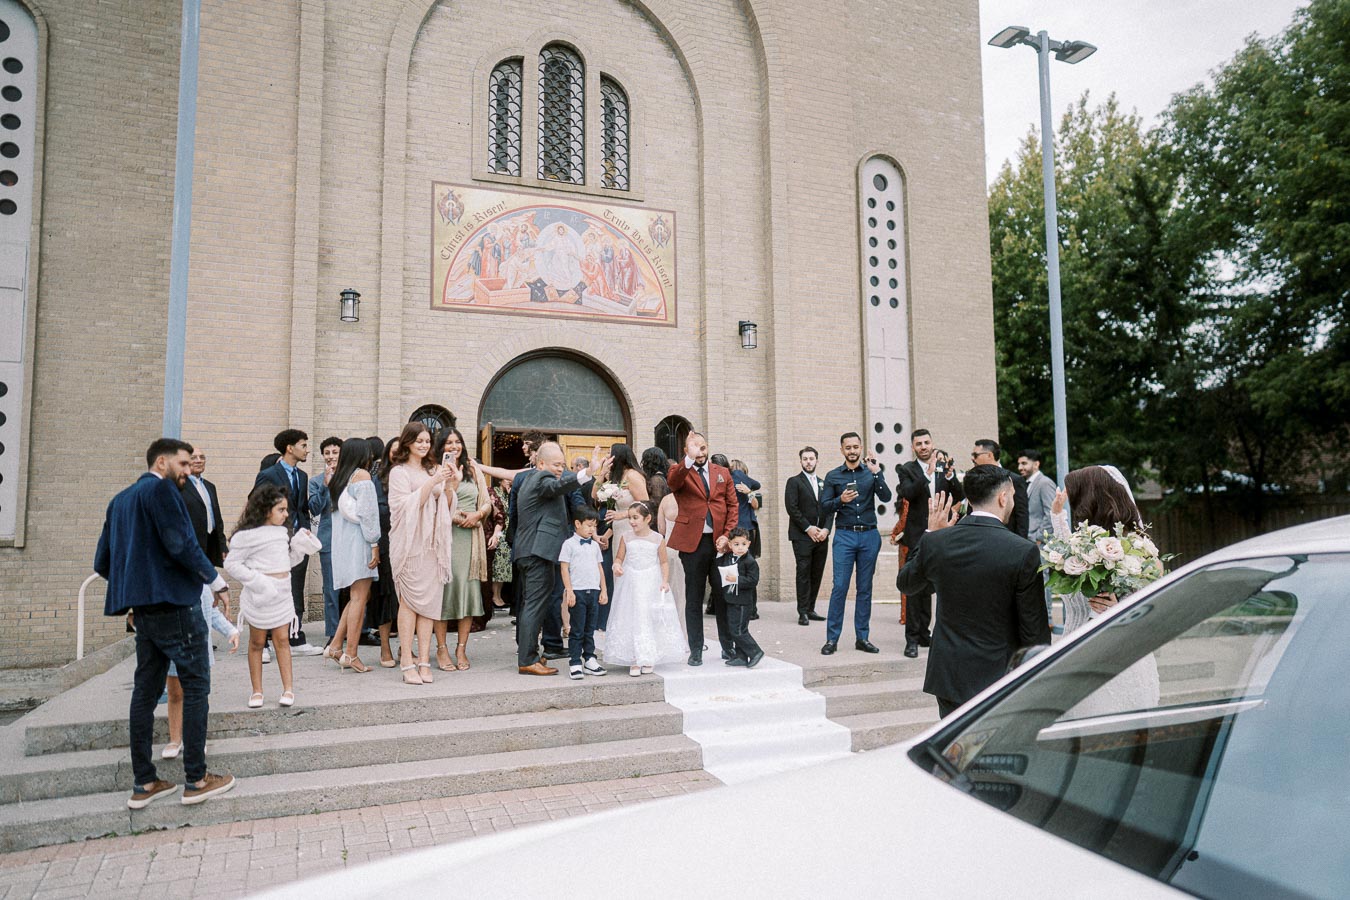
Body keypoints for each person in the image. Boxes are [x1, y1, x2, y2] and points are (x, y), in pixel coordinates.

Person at [95, 438, 237, 809]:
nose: (189, 471)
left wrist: (137, 591)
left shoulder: (120, 501)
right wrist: (216, 582)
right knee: (196, 686)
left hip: (144, 613)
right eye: (184, 463)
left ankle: (144, 783)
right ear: (162, 462)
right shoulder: (162, 491)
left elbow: (103, 562)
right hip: (176, 606)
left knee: (145, 692)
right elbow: (182, 544)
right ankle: (197, 779)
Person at [896, 466, 1050, 717]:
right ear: (1003, 498)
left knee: (952, 741)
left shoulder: (937, 542)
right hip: (999, 676)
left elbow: (906, 584)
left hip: (949, 675)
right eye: (1012, 496)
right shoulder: (1022, 551)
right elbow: (1033, 628)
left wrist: (929, 534)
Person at [1049, 464, 1160, 716]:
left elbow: (1154, 608)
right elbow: (1063, 549)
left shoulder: (1137, 548)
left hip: (1123, 656)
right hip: (1079, 654)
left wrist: (1120, 608)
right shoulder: (1077, 549)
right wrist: (1056, 516)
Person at [163, 445, 234, 760]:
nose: (199, 461)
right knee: (175, 688)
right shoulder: (177, 489)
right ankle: (175, 738)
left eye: (203, 456)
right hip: (174, 617)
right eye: (194, 457)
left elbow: (214, 520)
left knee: (196, 689)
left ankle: (193, 739)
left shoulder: (210, 487)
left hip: (202, 560)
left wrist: (220, 550)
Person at [225, 484, 323, 708]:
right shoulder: (246, 537)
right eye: (281, 509)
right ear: (266, 509)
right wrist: (258, 582)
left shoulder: (281, 533)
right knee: (257, 642)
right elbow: (232, 564)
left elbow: (286, 562)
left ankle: (288, 689)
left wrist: (299, 547)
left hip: (281, 595)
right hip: (259, 596)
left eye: (286, 509)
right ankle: (257, 691)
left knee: (282, 640)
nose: (286, 514)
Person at [508, 442, 597, 675]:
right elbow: (557, 486)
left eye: (562, 465)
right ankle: (527, 660)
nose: (560, 469)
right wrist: (586, 473)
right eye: (556, 464)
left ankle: (530, 654)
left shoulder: (530, 479)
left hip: (532, 551)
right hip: (537, 552)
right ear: (540, 464)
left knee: (533, 605)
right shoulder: (541, 479)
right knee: (534, 606)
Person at [388, 422, 461, 685]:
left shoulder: (433, 469)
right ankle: (407, 661)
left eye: (427, 441)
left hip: (432, 545)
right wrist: (434, 481)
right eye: (418, 440)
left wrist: (450, 484)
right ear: (407, 442)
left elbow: (446, 507)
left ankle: (424, 661)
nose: (424, 445)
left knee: (429, 605)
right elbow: (402, 507)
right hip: (410, 546)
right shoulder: (399, 472)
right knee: (409, 603)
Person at [665, 432, 738, 666]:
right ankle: (695, 649)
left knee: (724, 596)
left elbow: (732, 505)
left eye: (703, 447)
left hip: (720, 545)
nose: (700, 451)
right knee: (694, 598)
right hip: (693, 544)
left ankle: (728, 647)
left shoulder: (722, 472)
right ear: (687, 451)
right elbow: (673, 482)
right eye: (695, 447)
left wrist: (727, 535)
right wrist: (688, 458)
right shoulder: (680, 471)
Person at [818, 432, 894, 655]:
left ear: (861, 448)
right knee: (840, 587)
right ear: (842, 450)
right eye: (848, 447)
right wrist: (840, 500)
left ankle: (862, 638)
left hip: (869, 535)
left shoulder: (871, 472)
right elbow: (824, 506)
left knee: (865, 588)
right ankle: (832, 639)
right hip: (845, 535)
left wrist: (877, 473)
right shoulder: (833, 476)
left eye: (855, 447)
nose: (852, 451)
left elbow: (887, 497)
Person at [893, 429, 964, 658]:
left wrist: (951, 477)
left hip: (941, 535)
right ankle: (912, 639)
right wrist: (927, 474)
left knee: (932, 587)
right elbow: (908, 493)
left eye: (926, 442)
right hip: (917, 536)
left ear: (932, 443)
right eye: (919, 444)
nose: (923, 446)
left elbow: (959, 495)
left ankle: (925, 634)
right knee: (915, 587)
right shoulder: (907, 469)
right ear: (913, 447)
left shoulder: (944, 467)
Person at [254, 429, 324, 658]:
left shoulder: (302, 476)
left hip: (298, 543)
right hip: (274, 542)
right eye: (303, 445)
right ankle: (264, 644)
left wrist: (304, 529)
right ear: (289, 448)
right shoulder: (269, 474)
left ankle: (295, 638)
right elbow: (255, 504)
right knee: (271, 590)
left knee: (295, 589)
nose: (307, 450)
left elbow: (301, 508)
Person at [605, 500, 686, 676]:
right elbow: (619, 558)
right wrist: (616, 566)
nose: (632, 522)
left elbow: (663, 562)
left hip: (651, 581)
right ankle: (635, 658)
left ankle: (649, 656)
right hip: (631, 581)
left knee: (650, 617)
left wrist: (665, 581)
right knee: (632, 616)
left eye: (635, 518)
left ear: (647, 518)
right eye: (630, 518)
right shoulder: (626, 537)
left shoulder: (657, 539)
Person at [322, 438, 381, 673]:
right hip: (361, 542)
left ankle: (336, 646)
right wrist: (374, 543)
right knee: (359, 598)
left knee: (356, 597)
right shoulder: (362, 477)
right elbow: (369, 514)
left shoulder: (339, 478)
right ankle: (351, 653)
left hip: (343, 543)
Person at [433, 427, 489, 671]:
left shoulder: (472, 469)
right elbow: (435, 503)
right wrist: (457, 517)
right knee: (444, 594)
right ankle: (441, 648)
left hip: (471, 540)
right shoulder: (436, 470)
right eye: (448, 442)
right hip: (447, 536)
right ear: (441, 446)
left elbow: (486, 501)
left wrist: (478, 514)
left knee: (468, 592)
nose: (454, 446)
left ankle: (462, 648)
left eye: (457, 442)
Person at [558, 506, 609, 680]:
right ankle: (574, 661)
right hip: (577, 591)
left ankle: (589, 658)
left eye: (594, 526)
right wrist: (569, 591)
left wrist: (604, 589)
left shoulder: (594, 546)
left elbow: (600, 568)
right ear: (577, 524)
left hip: (593, 590)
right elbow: (564, 569)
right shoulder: (569, 544)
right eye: (588, 525)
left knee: (590, 628)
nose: (592, 529)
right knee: (577, 629)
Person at [784, 446, 829, 626]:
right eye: (805, 459)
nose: (808, 462)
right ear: (801, 461)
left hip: (821, 536)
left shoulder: (824, 483)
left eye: (811, 458)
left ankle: (811, 608)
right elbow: (792, 508)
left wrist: (826, 530)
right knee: (803, 573)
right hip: (802, 536)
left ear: (817, 460)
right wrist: (808, 528)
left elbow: (830, 509)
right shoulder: (794, 482)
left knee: (816, 573)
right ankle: (802, 611)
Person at [308, 436, 343, 642]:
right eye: (327, 453)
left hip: (349, 540)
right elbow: (314, 508)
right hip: (328, 540)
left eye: (334, 452)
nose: (330, 457)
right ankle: (333, 633)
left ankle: (358, 631)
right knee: (330, 590)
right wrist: (325, 485)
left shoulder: (350, 478)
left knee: (352, 589)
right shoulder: (315, 481)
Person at [715, 527, 765, 668]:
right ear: (730, 545)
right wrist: (720, 553)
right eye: (736, 544)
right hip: (731, 599)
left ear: (749, 544)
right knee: (733, 628)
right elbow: (719, 566)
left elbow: (753, 580)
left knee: (738, 630)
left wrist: (736, 579)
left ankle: (755, 652)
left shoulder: (750, 561)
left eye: (743, 544)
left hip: (743, 602)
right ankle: (741, 657)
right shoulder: (728, 558)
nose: (740, 547)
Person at [971, 439, 1028, 539]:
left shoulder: (1014, 480)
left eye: (975, 455)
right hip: (979, 537)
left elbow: (1021, 516)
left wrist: (1020, 543)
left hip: (1007, 538)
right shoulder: (974, 479)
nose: (972, 459)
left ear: (989, 455)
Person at [1019, 449, 1056, 543]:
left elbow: (1051, 513)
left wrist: (1039, 538)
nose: (1019, 467)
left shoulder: (1045, 483)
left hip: (1039, 542)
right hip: (1027, 540)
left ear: (1036, 464)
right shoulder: (1025, 483)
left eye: (1024, 463)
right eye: (1019, 464)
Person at [487, 476, 513, 608]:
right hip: (498, 533)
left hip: (507, 533)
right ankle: (494, 596)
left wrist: (511, 495)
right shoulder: (493, 492)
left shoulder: (509, 494)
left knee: (505, 566)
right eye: (505, 479)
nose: (508, 481)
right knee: (498, 566)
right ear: (499, 480)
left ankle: (499, 595)